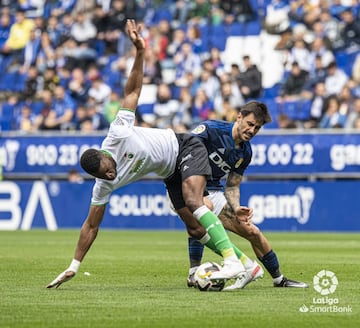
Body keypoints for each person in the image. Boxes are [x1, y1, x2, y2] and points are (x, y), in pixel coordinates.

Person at [47, 19, 251, 289]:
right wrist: (74, 265)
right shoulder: (104, 183)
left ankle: (231, 262)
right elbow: (90, 226)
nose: (110, 174)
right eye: (104, 175)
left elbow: (132, 90)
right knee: (195, 228)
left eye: (109, 167)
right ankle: (247, 265)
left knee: (194, 200)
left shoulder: (117, 133)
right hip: (170, 172)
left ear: (105, 153)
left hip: (185, 146)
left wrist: (140, 52)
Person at [181, 101, 309, 289]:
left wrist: (236, 207)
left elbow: (232, 185)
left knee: (252, 231)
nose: (252, 130)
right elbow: (184, 147)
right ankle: (194, 272)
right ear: (239, 116)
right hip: (188, 186)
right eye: (250, 124)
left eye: (257, 128)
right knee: (202, 211)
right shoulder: (211, 129)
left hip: (214, 191)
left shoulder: (245, 152)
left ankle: (279, 279)